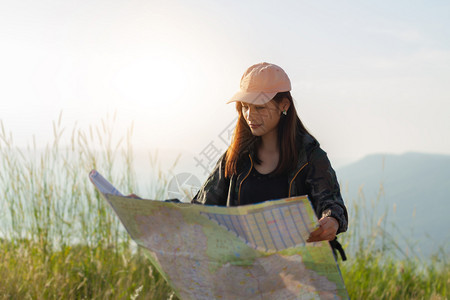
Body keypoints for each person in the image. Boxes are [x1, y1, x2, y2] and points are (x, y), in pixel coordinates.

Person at [191, 62, 348, 258]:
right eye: (245, 107)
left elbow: (331, 202)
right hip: (243, 271)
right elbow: (201, 206)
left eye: (259, 107)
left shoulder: (310, 157)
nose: (249, 115)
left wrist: (332, 220)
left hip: (298, 273)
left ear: (284, 105)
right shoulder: (236, 156)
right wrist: (152, 210)